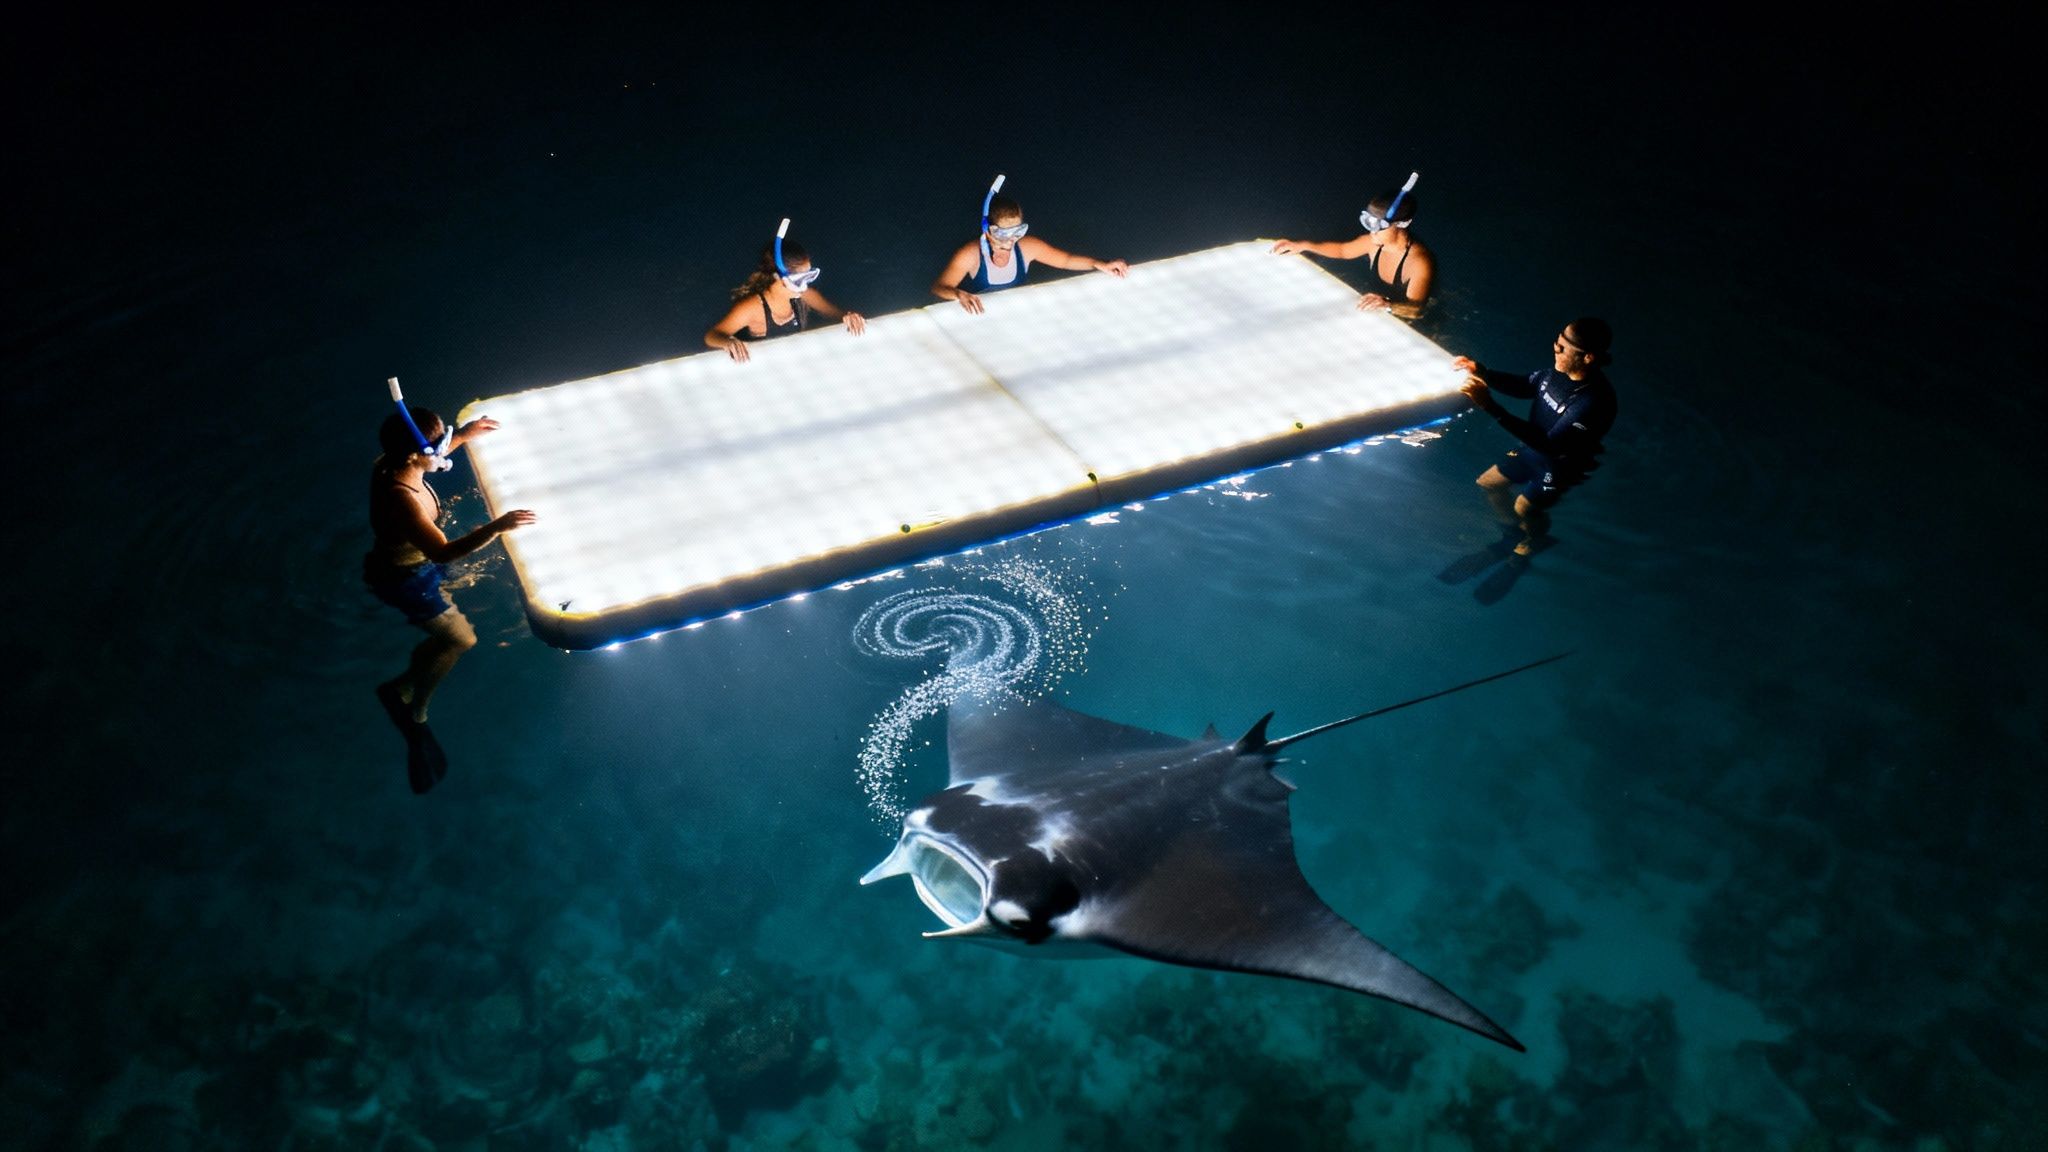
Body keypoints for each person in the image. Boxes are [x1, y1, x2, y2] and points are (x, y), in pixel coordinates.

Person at [365, 400, 536, 793]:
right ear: (415, 454)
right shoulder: (403, 498)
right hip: (406, 578)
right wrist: (498, 526)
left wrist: (462, 436)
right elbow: (442, 551)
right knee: (462, 639)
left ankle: (403, 685)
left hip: (415, 564)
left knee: (449, 629)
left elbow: (428, 454)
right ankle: (415, 711)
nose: (446, 447)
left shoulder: (390, 463)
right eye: (441, 442)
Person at [1440, 317, 1618, 602]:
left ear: (1587, 357)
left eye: (1562, 346)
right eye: (1557, 341)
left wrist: (1490, 406)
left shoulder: (1593, 402)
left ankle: (1527, 547)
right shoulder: (1560, 370)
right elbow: (1527, 385)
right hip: (1533, 447)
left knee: (1525, 507)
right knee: (1487, 483)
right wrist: (1483, 372)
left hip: (1559, 464)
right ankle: (1514, 535)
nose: (1555, 349)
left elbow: (1550, 443)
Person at [930, 179, 1128, 313]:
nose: (1010, 240)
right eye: (1003, 233)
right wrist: (958, 294)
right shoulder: (970, 254)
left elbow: (1066, 260)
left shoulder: (1027, 247)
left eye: (1018, 232)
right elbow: (939, 287)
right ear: (988, 230)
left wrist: (1100, 263)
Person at [1269, 174, 1435, 320]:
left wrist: (1387, 305)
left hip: (1407, 319)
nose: (1372, 232)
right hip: (1375, 310)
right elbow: (1343, 250)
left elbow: (1416, 310)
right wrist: (1302, 245)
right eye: (1369, 223)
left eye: (1379, 226)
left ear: (1402, 224)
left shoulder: (1418, 263)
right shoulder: (1373, 241)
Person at [705, 225, 865, 361]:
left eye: (808, 276)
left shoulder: (805, 295)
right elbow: (713, 335)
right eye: (799, 279)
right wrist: (728, 342)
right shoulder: (752, 307)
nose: (805, 285)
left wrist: (849, 316)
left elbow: (836, 313)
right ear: (778, 278)